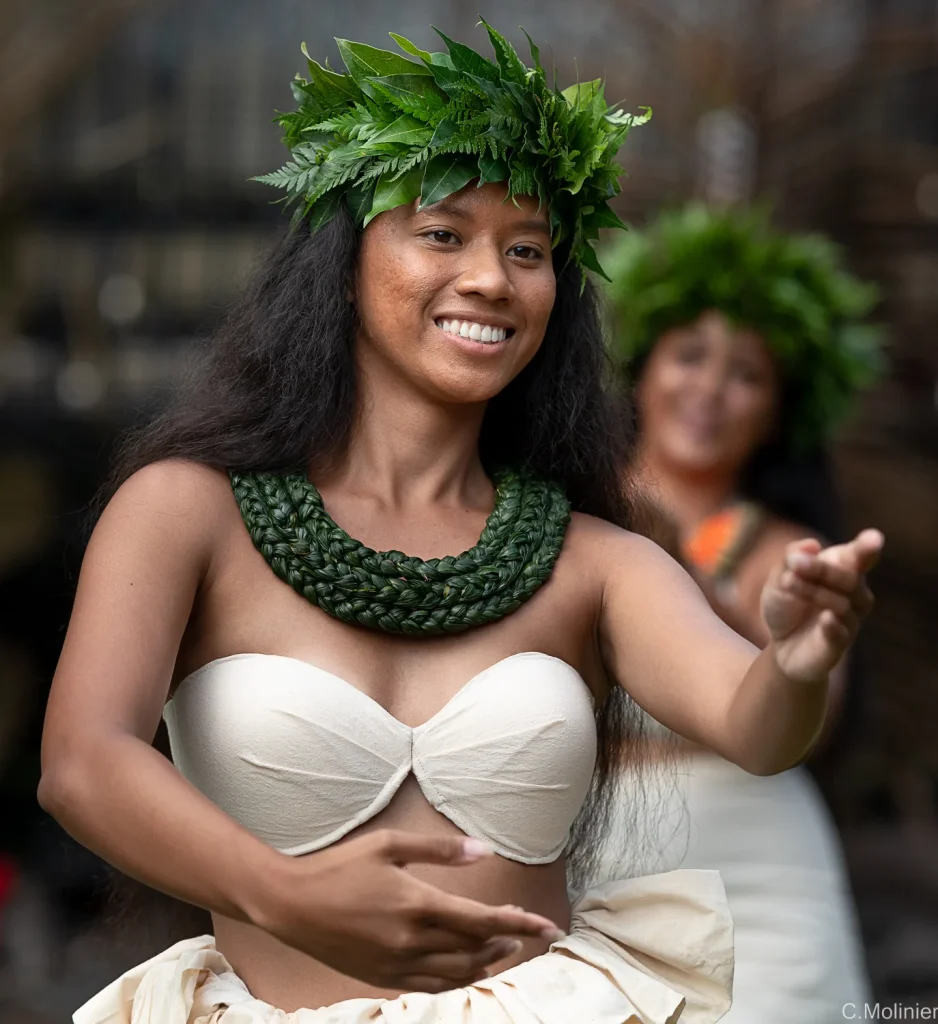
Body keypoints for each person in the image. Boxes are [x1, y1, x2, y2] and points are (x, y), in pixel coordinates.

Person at [39, 28, 882, 1024]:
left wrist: (789, 659)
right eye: (443, 233)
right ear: (345, 258)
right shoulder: (188, 509)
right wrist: (283, 893)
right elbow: (83, 761)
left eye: (526, 250)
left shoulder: (588, 559)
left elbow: (752, 723)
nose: (491, 278)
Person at [599, 203, 885, 1022]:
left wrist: (783, 640)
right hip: (588, 879)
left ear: (777, 411)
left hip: (761, 892)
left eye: (747, 374)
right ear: (644, 368)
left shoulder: (785, 549)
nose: (711, 390)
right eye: (690, 356)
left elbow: (815, 719)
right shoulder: (558, 514)